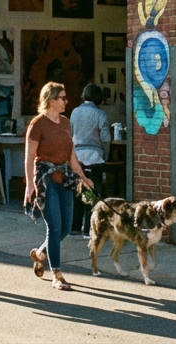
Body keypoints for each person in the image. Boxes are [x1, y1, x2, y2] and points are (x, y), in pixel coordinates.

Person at [24, 82, 94, 291]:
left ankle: (40, 254)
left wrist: (82, 177)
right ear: (51, 99)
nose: (66, 101)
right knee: (54, 227)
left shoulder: (65, 122)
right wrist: (29, 185)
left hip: (64, 178)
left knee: (65, 227)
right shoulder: (37, 124)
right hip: (45, 181)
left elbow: (71, 155)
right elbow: (29, 159)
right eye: (62, 98)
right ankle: (57, 274)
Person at [70, 83, 111, 238]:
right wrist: (105, 155)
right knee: (94, 194)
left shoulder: (74, 112)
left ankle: (74, 227)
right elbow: (106, 138)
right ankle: (89, 229)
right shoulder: (101, 114)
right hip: (95, 157)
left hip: (77, 157)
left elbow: (71, 134)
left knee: (78, 193)